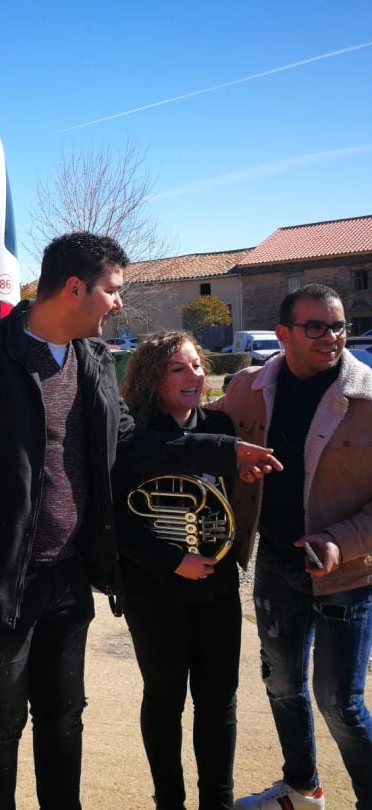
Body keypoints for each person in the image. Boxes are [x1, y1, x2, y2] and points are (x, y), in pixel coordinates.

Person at [0, 231, 281, 809]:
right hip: (4, 580)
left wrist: (224, 452)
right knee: (1, 721)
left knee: (64, 717)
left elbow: (132, 446)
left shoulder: (94, 359)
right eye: (112, 290)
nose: (119, 303)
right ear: (74, 288)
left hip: (70, 577)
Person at [213, 284, 372, 810]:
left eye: (338, 326)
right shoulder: (247, 388)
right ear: (283, 334)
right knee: (282, 687)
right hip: (277, 563)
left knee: (340, 703)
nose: (332, 337)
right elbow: (197, 428)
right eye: (316, 327)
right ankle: (302, 790)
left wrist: (339, 542)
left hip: (348, 575)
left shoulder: (368, 398)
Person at [116, 332, 241, 810]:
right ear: (153, 378)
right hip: (155, 590)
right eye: (179, 369)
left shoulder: (220, 422)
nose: (195, 376)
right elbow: (119, 518)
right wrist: (173, 562)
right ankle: (169, 800)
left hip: (218, 585)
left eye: (197, 366)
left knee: (219, 698)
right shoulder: (137, 436)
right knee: (165, 697)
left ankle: (218, 801)